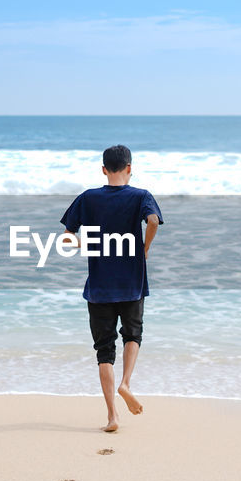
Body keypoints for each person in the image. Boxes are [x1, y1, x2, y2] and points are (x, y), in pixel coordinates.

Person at [60, 145, 163, 432]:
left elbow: (67, 236)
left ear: (104, 169)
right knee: (133, 334)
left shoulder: (88, 197)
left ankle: (112, 417)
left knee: (104, 350)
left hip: (100, 287)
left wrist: (85, 244)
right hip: (131, 282)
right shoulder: (141, 196)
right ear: (130, 168)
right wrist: (144, 248)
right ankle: (126, 383)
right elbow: (153, 221)